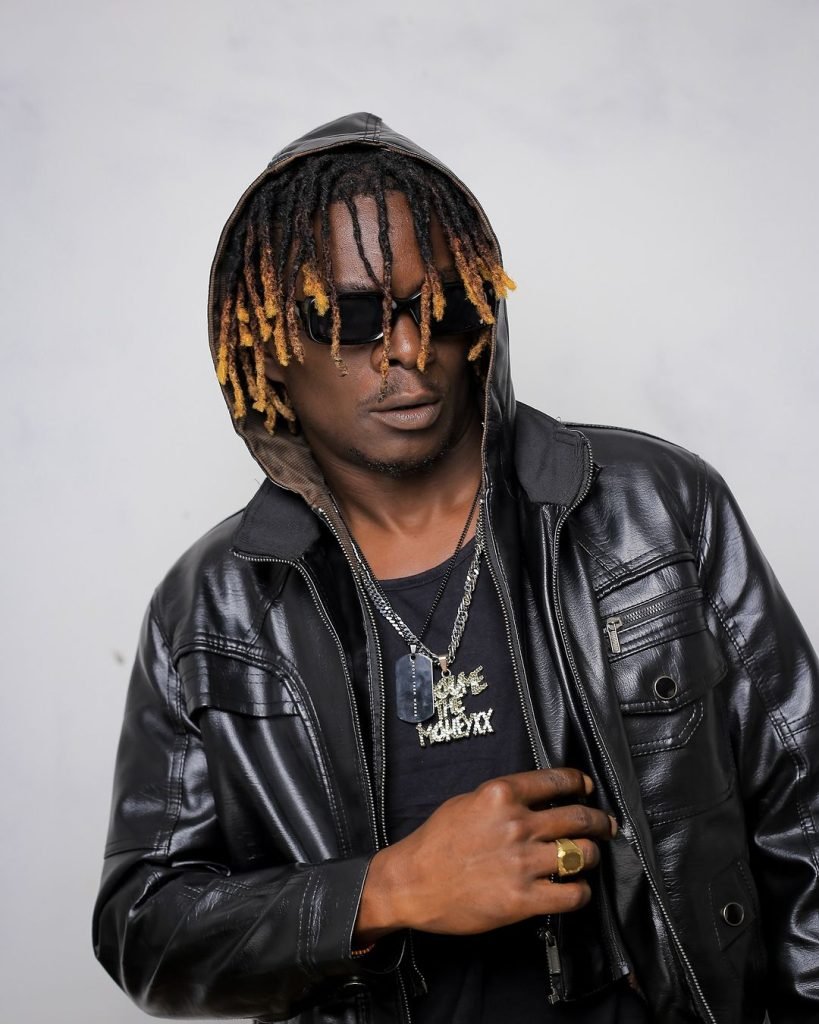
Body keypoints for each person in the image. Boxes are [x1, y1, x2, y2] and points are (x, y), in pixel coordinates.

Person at [92, 112, 819, 1024]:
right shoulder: (213, 609)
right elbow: (146, 932)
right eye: (352, 318)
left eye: (442, 306)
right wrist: (389, 890)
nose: (408, 349)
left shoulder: (650, 508)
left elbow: (803, 811)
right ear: (269, 355)